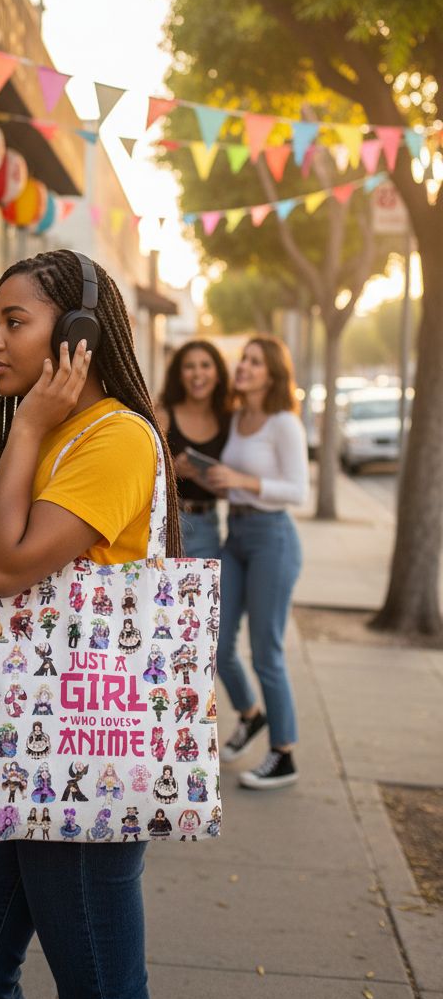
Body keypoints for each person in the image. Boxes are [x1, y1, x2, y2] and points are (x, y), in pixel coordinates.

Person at [0, 249, 182, 999]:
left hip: (85, 761)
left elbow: (5, 572)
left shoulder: (113, 440)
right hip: (24, 742)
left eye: (15, 323)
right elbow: (34, 636)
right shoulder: (50, 438)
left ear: (76, 336)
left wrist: (32, 425)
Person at [205, 335, 309, 790]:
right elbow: (239, 484)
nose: (243, 366)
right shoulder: (237, 416)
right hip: (238, 534)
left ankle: (283, 754)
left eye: (254, 362)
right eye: (242, 359)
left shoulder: (283, 423)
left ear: (272, 374)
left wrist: (242, 479)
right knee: (216, 643)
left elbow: (297, 490)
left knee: (266, 651)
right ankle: (251, 715)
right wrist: (215, 480)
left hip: (273, 539)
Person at [155, 339, 231, 558]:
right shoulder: (163, 415)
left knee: (200, 593)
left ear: (218, 374)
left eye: (205, 365)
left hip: (207, 525)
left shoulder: (228, 420)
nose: (198, 373)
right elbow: (140, 472)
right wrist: (172, 471)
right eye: (189, 366)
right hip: (166, 521)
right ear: (180, 375)